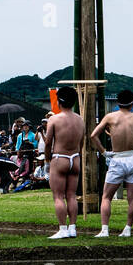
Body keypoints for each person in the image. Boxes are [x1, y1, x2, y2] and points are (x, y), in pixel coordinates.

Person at [89, 89, 133, 238]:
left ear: (117, 102)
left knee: (107, 196)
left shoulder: (110, 117)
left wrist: (103, 152)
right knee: (132, 198)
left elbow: (93, 135)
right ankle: (127, 229)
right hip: (132, 157)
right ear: (132, 102)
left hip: (118, 157)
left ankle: (105, 230)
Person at [45, 86, 85, 238]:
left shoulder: (54, 119)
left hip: (59, 158)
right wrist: (77, 155)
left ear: (59, 101)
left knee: (58, 196)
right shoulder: (79, 120)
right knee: (72, 195)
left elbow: (48, 142)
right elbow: (82, 141)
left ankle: (62, 229)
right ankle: (73, 228)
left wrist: (47, 161)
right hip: (75, 158)